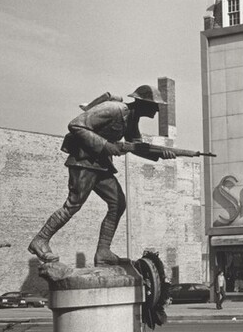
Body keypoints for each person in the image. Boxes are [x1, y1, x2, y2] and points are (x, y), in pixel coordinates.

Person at [28, 86, 175, 266]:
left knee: (118, 203)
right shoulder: (114, 109)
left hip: (100, 165)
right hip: (83, 161)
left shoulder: (131, 119)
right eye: (155, 105)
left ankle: (103, 251)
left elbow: (136, 145)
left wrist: (161, 153)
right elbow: (75, 124)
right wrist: (105, 145)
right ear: (143, 103)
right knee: (73, 204)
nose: (157, 110)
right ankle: (40, 240)